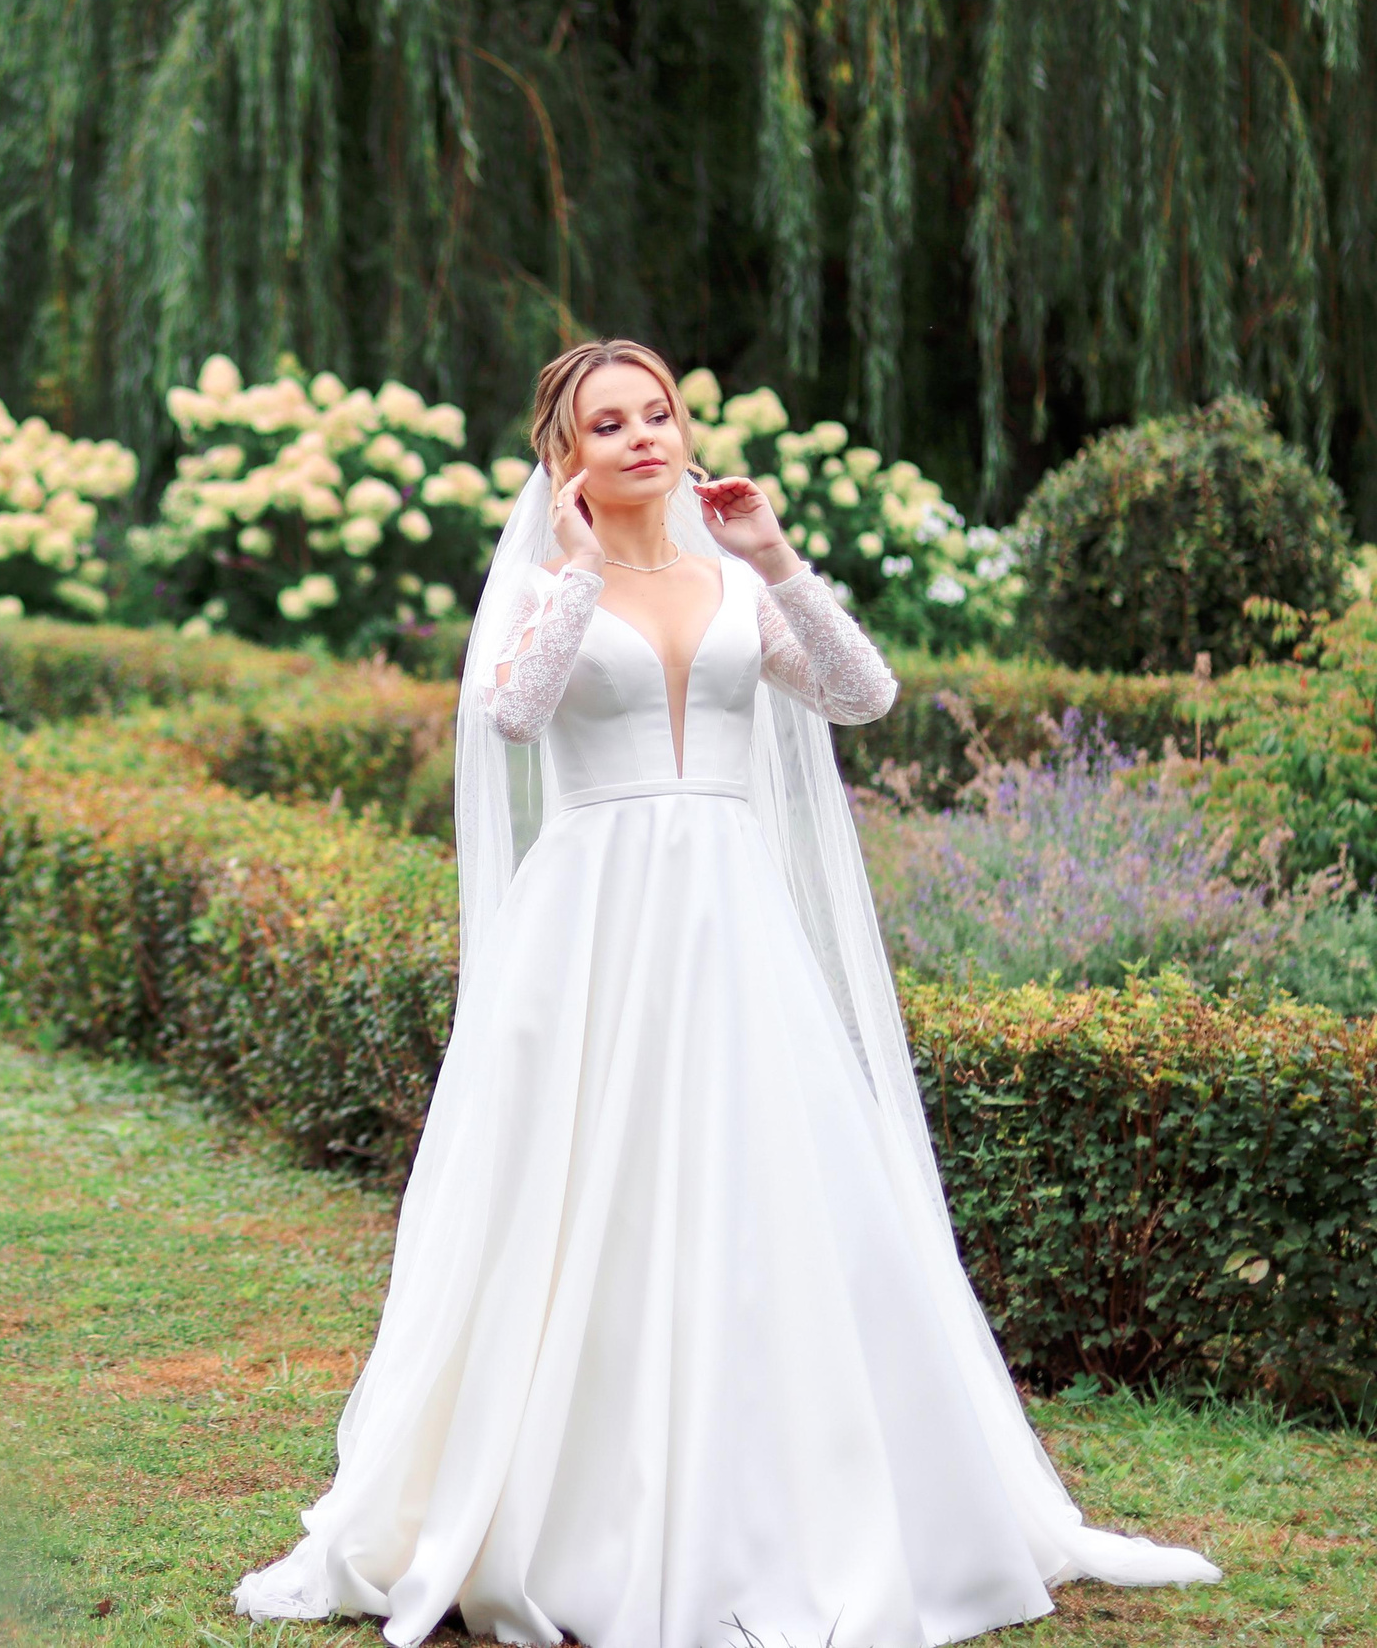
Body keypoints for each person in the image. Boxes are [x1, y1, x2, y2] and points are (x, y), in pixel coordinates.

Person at [232, 339, 1219, 1646]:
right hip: (593, 925)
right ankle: (563, 1505)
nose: (645, 435)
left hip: (733, 917)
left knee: (764, 1189)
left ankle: (779, 1503)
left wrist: (776, 558)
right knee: (582, 1187)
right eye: (609, 422)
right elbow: (512, 716)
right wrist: (580, 578)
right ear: (565, 456)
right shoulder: (542, 585)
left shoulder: (736, 584)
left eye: (661, 412)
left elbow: (865, 693)